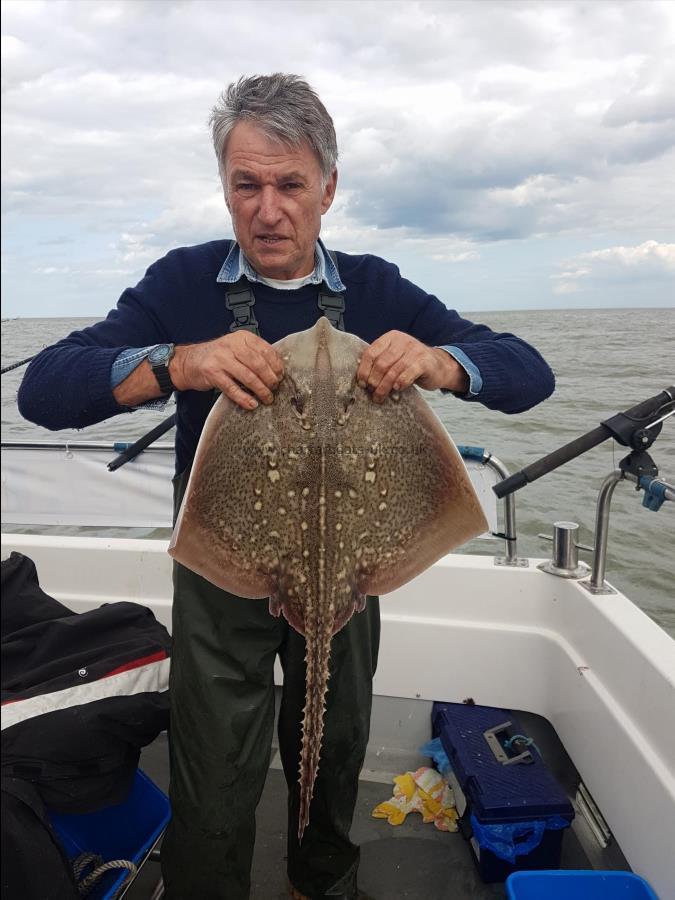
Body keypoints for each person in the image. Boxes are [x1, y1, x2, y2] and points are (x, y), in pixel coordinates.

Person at [18, 74, 555, 900]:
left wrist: (440, 362)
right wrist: (177, 362)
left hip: (352, 559)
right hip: (222, 563)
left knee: (337, 739)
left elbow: (529, 372)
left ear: (327, 189)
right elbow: (45, 389)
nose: (268, 209)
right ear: (226, 190)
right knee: (213, 755)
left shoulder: (378, 290)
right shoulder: (181, 283)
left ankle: (321, 879)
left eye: (290, 185)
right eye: (246, 185)